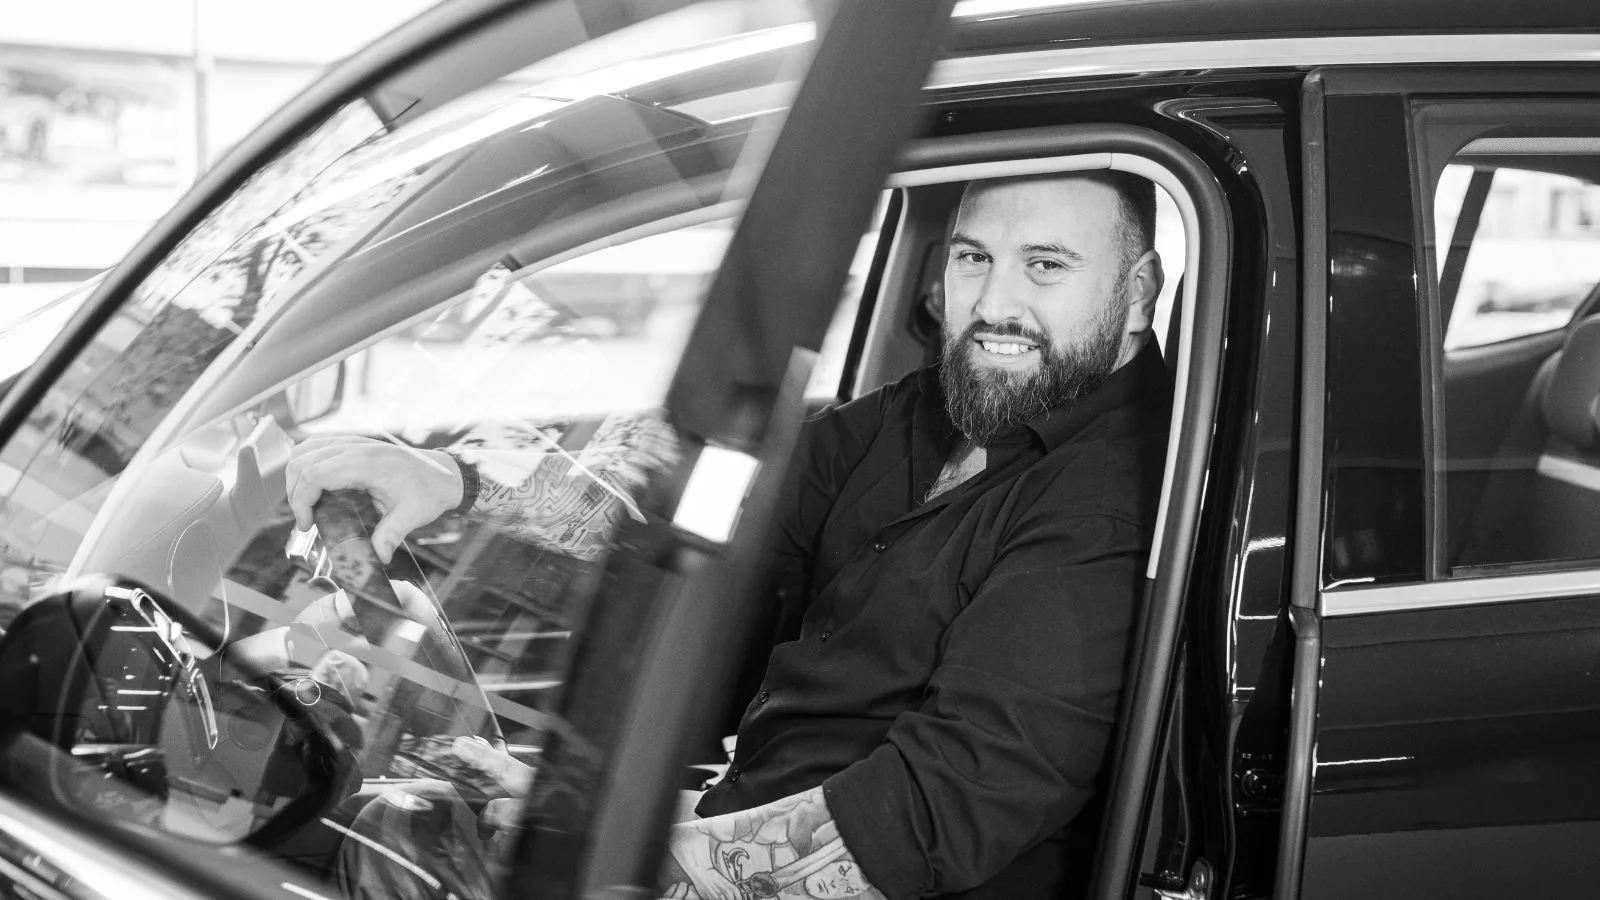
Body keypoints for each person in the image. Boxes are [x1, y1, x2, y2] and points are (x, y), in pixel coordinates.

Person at [286, 170, 1170, 899]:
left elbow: (938, 809)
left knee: (385, 850)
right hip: (730, 816)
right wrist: (456, 481)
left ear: (1137, 295)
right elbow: (699, 510)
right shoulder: (936, 411)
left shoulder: (1113, 500)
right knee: (395, 820)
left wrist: (624, 855)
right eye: (975, 258)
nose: (993, 303)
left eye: (1046, 266)